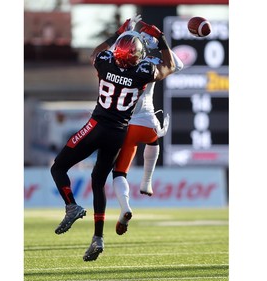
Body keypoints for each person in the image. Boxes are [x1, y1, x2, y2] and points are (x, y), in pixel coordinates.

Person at [50, 17, 176, 262]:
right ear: (137, 57)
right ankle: (98, 237)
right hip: (118, 133)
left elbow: (96, 53)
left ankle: (71, 206)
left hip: (96, 125)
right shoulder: (142, 73)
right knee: (98, 181)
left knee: (58, 167)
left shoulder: (105, 63)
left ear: (117, 51)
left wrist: (118, 32)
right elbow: (169, 66)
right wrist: (160, 39)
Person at [110, 29, 184, 235]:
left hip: (126, 125)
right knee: (153, 142)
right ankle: (147, 181)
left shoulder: (117, 63)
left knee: (119, 172)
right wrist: (160, 44)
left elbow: (112, 52)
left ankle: (125, 207)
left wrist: (126, 32)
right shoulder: (149, 65)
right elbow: (177, 64)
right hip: (148, 123)